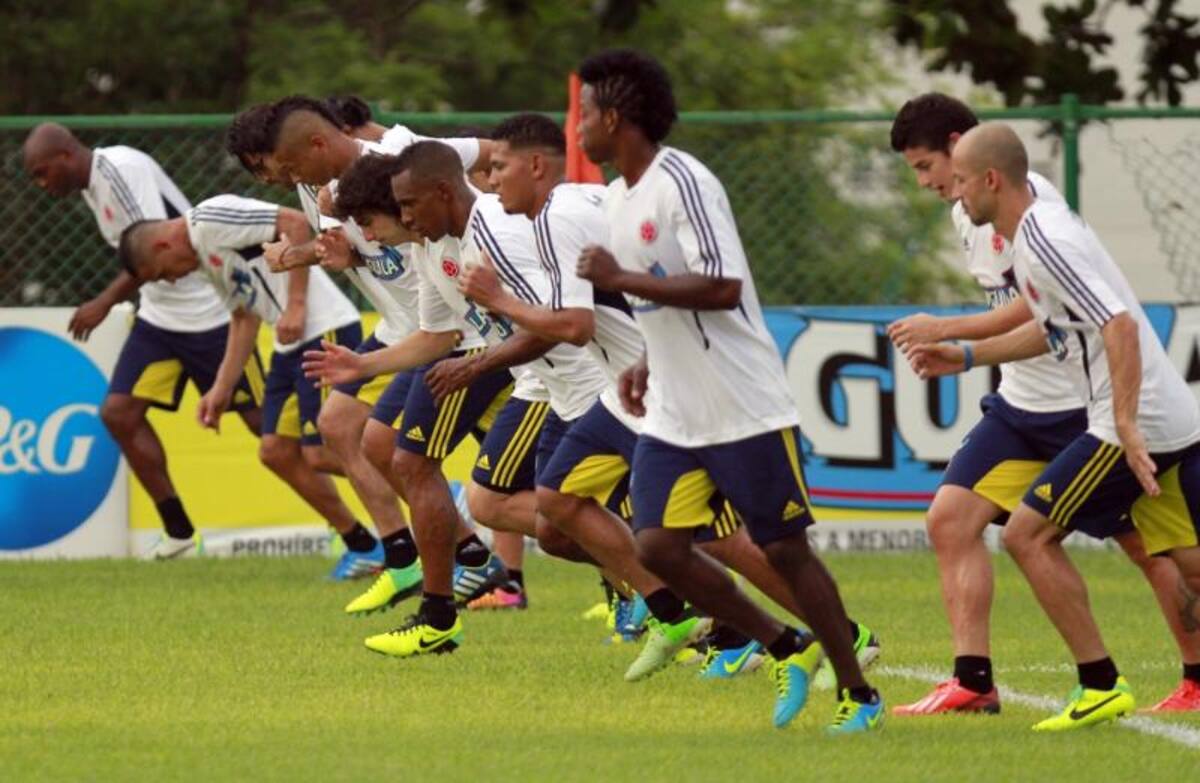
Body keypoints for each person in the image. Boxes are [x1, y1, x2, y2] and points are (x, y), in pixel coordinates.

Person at [466, 111, 883, 682]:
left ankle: (843, 638)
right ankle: (677, 615)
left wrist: (498, 301)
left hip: (675, 388)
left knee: (721, 539)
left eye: (498, 167)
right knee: (557, 501)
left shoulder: (562, 215)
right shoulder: (573, 208)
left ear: (535, 165)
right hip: (630, 385)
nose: (490, 180)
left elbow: (574, 326)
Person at [572, 49, 882, 732]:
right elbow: (662, 301)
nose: (579, 127)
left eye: (585, 113)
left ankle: (858, 691)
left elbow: (721, 285)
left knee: (784, 551)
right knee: (657, 547)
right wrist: (646, 359)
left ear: (615, 117)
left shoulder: (684, 181)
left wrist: (621, 280)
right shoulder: (619, 199)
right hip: (674, 411)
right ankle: (784, 644)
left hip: (743, 405)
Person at [887, 93, 1200, 714]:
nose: (927, 184)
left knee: (1149, 548)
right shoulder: (975, 213)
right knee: (953, 519)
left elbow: (1086, 319)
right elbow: (1052, 317)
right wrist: (969, 356)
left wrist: (951, 332)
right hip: (1027, 406)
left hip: (1087, 410)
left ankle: (1175, 680)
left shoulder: (1037, 219)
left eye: (927, 167)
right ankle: (975, 681)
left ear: (966, 155)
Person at [22, 123, 262, 559]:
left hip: (209, 313)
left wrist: (103, 302)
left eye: (42, 172)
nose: (42, 184)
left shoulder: (121, 170)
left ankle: (363, 527)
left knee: (265, 427)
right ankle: (179, 533)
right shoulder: (92, 187)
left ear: (65, 156)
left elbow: (156, 245)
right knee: (119, 414)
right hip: (160, 317)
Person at [116, 194, 378, 571]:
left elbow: (294, 222)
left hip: (325, 329)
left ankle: (419, 488)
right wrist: (221, 389)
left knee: (323, 451)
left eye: (161, 273)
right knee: (275, 451)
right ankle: (363, 545)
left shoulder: (209, 218)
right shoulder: (206, 259)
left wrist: (297, 304)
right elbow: (243, 317)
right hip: (289, 346)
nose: (171, 279)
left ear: (162, 246)